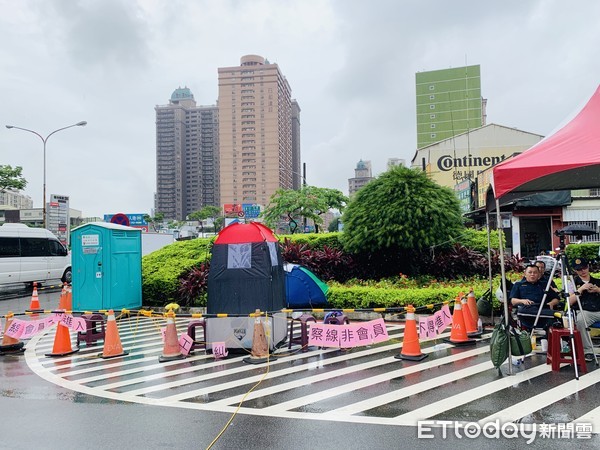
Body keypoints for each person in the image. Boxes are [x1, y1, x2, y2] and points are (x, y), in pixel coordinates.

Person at [509, 264, 561, 329]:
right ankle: (551, 313)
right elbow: (513, 301)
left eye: (535, 272)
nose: (532, 274)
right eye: (530, 272)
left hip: (543, 309)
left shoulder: (544, 284)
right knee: (522, 310)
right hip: (527, 311)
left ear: (539, 274)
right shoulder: (519, 285)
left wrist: (551, 303)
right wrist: (522, 301)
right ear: (525, 274)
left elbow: (557, 298)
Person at [568, 258, 600, 362]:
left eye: (585, 268)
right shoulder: (572, 283)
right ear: (575, 271)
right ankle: (588, 351)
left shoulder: (597, 281)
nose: (583, 271)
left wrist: (598, 290)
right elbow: (569, 301)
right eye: (579, 269)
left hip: (598, 309)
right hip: (584, 311)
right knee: (581, 321)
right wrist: (580, 290)